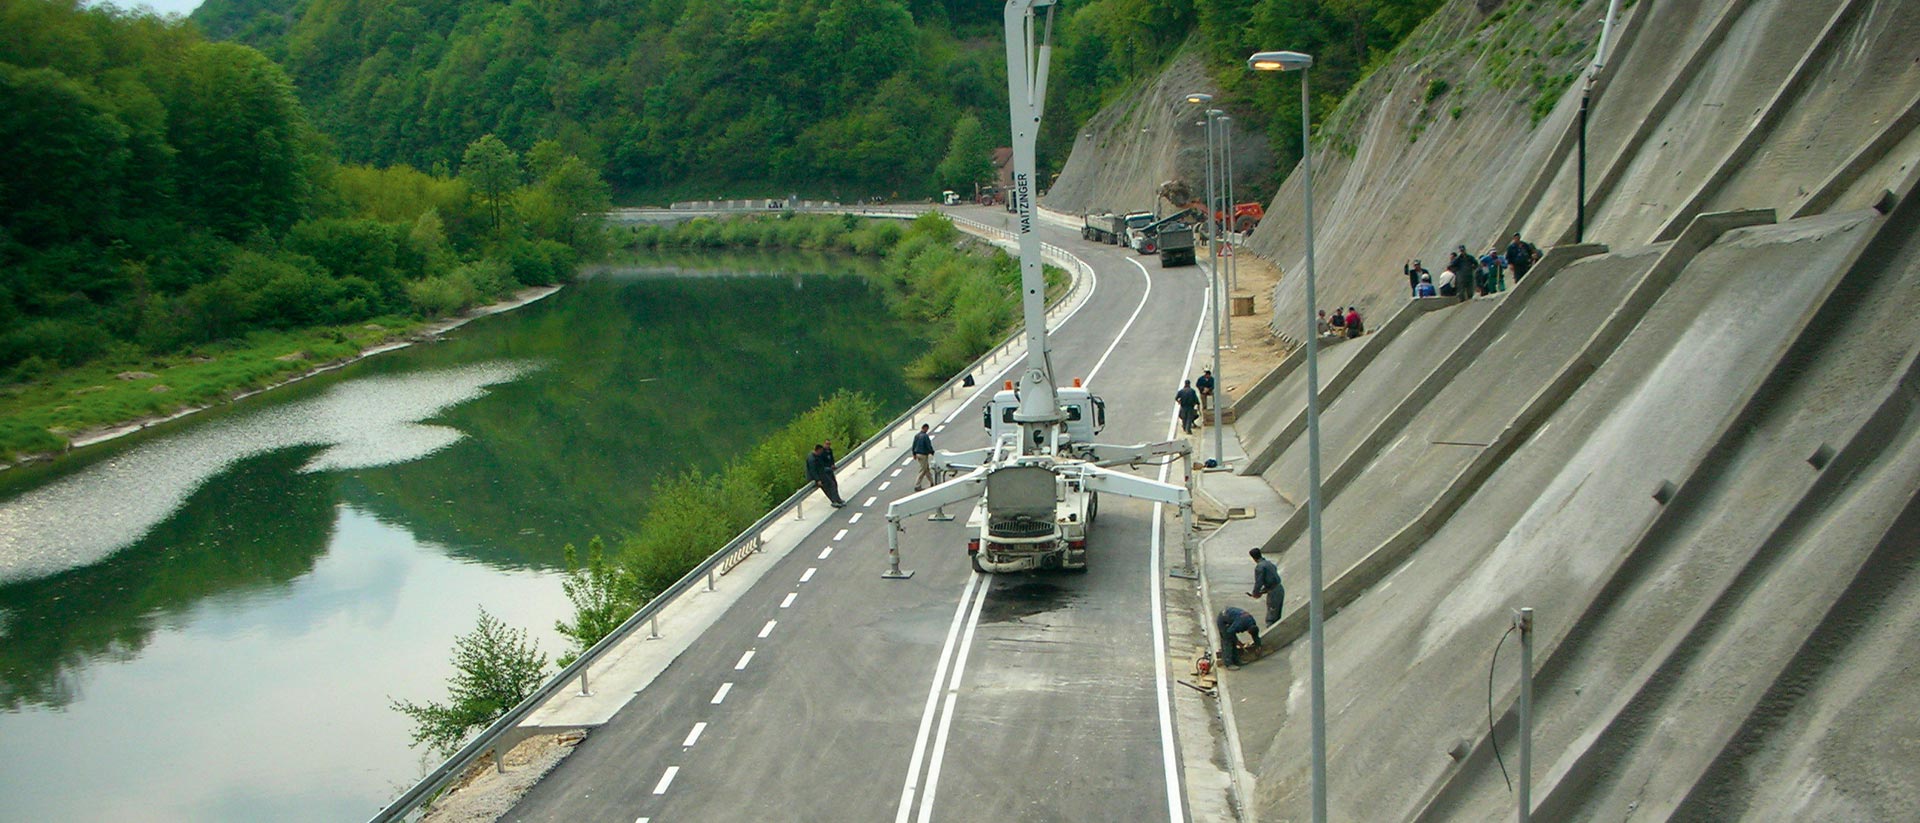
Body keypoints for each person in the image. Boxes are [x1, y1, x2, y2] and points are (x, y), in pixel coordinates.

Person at [1248, 548, 1283, 626]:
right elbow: (1272, 579)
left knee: (1271, 617)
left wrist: (1255, 593)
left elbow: (1258, 583)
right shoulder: (1269, 563)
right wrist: (1263, 591)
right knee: (1277, 614)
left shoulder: (1259, 567)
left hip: (1273, 593)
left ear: (1253, 558)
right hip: (1280, 589)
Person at [806, 442, 846, 507]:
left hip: (822, 473)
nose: (821, 452)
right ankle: (834, 501)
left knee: (833, 483)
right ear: (818, 450)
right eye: (821, 451)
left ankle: (837, 499)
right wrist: (818, 480)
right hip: (818, 477)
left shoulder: (817, 456)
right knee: (829, 486)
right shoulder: (812, 459)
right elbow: (813, 471)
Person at [911, 424, 936, 490]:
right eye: (927, 429)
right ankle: (917, 485)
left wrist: (914, 454)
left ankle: (932, 482)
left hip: (917, 454)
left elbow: (914, 445)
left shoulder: (917, 436)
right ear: (925, 428)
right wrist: (932, 452)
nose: (927, 430)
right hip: (923, 455)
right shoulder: (925, 436)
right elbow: (928, 445)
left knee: (927, 469)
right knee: (923, 470)